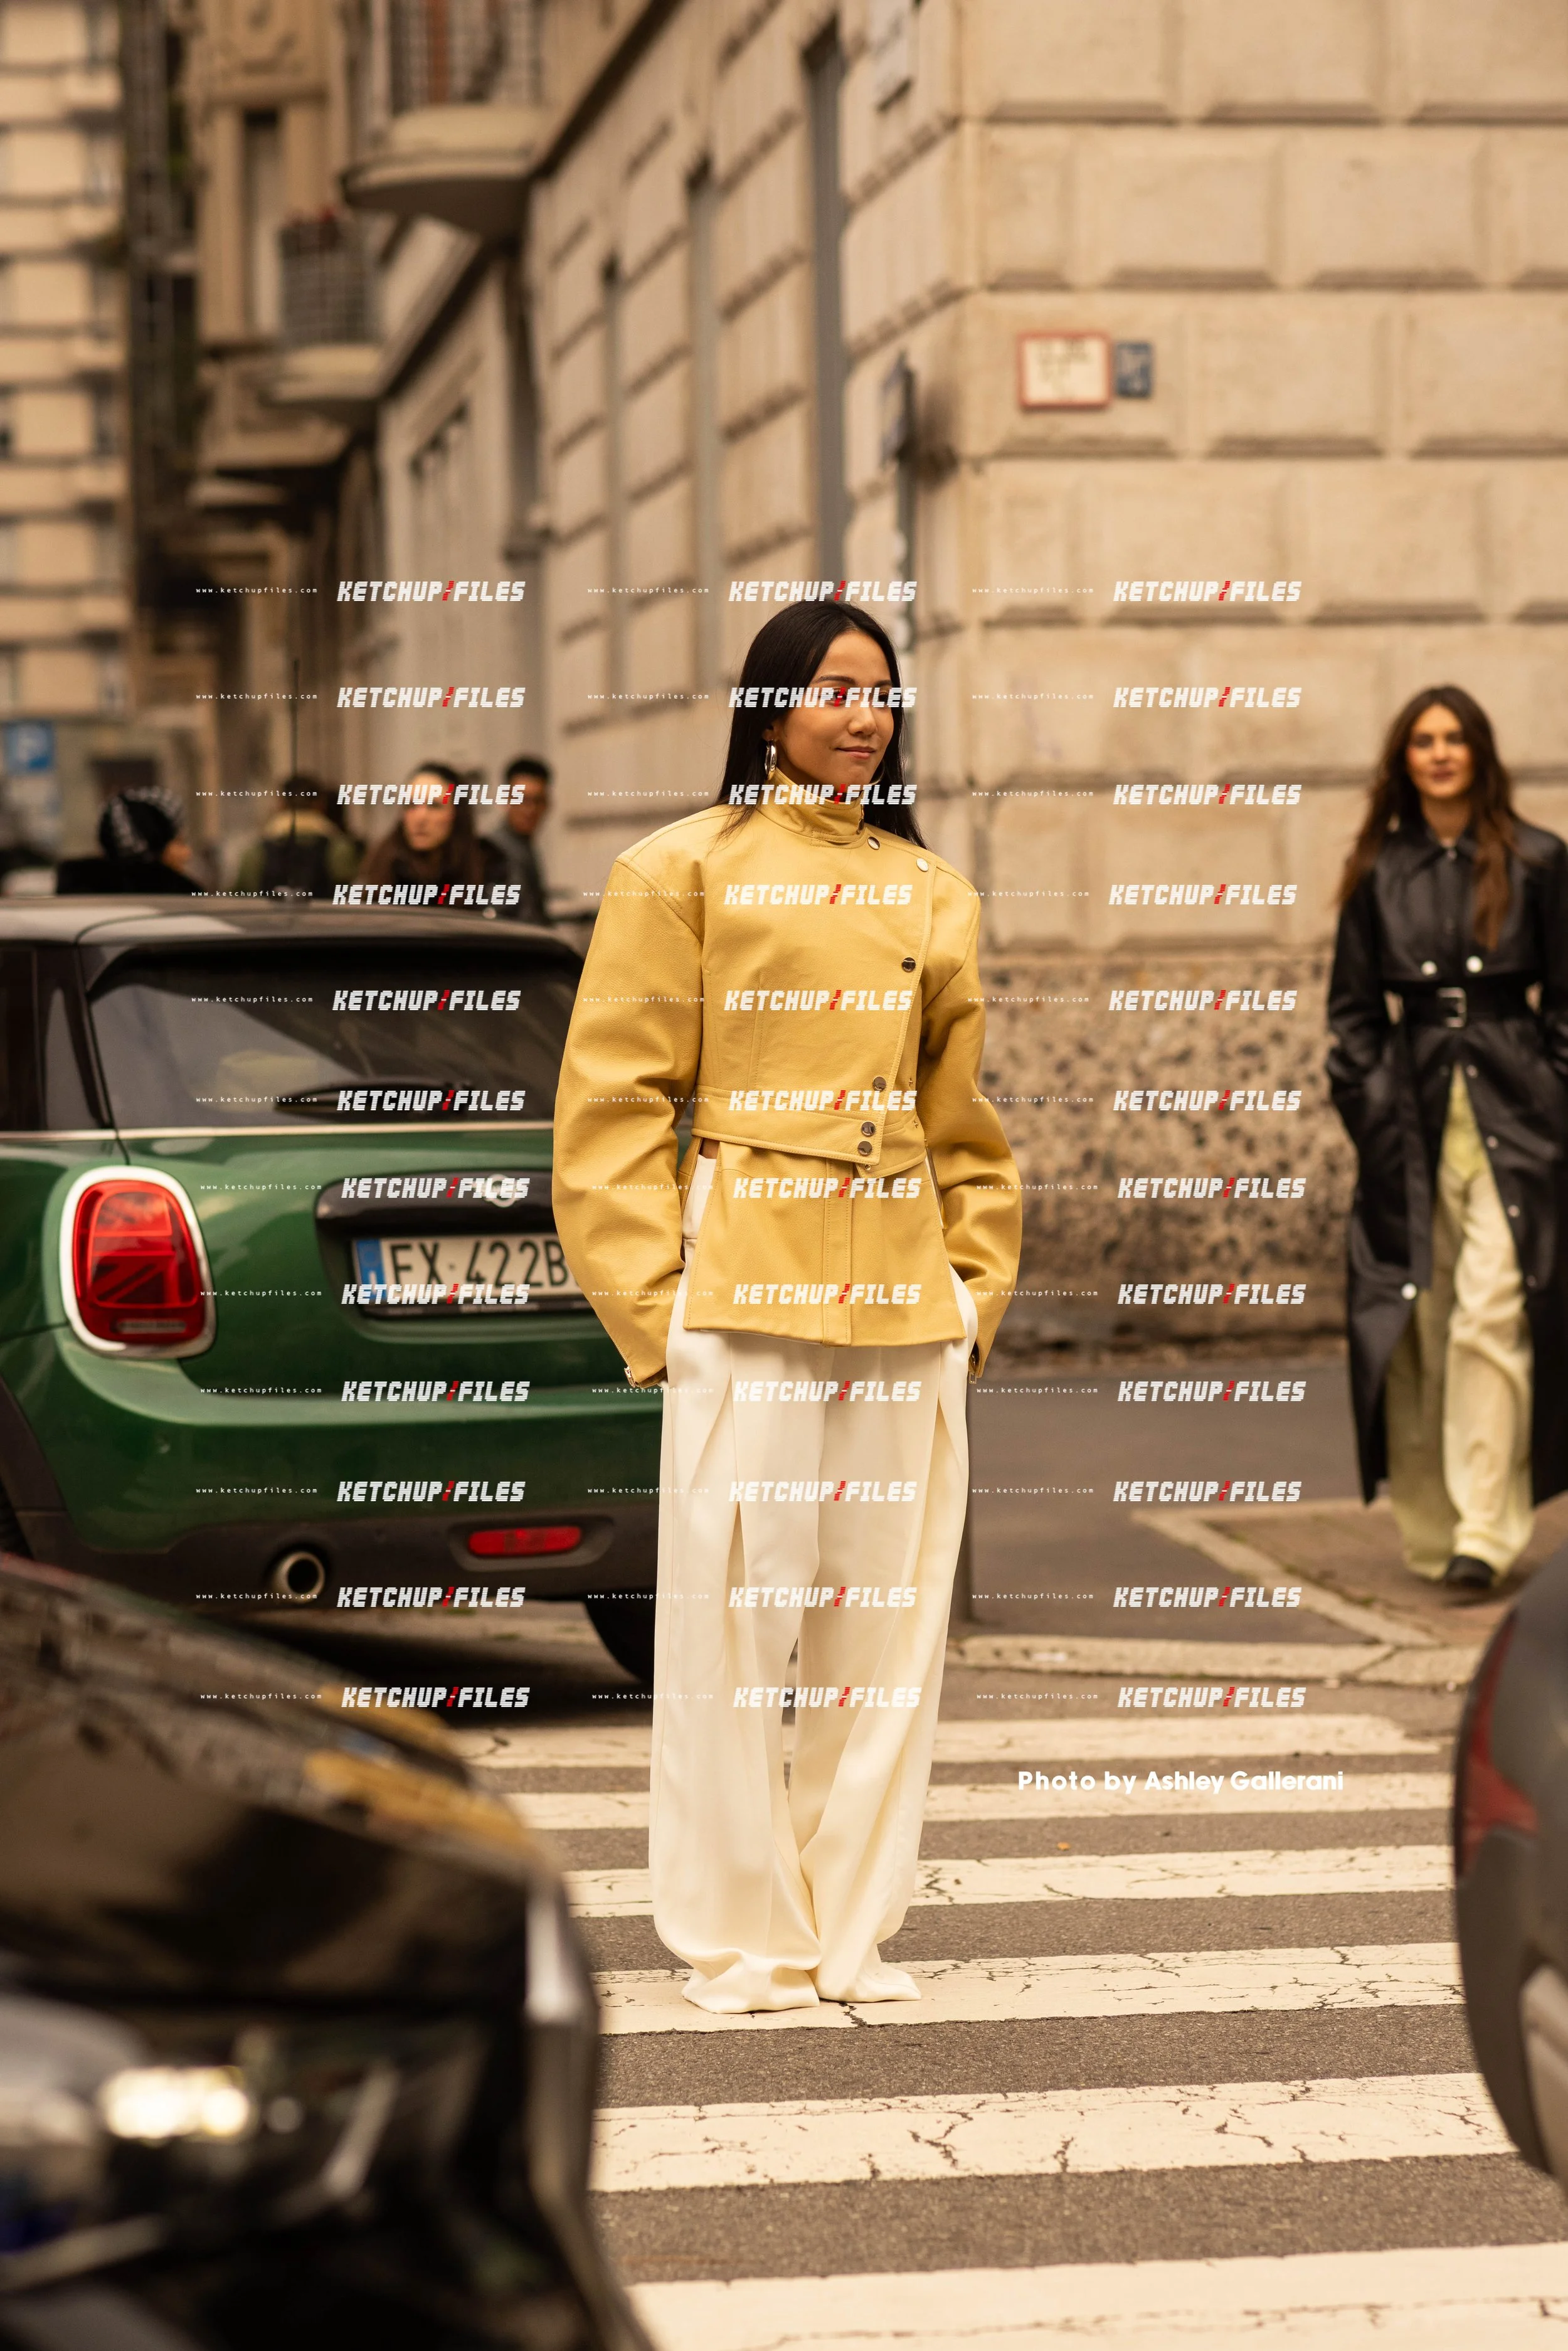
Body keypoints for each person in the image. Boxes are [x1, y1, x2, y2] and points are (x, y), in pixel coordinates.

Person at [551, 600, 1021, 2014]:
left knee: (882, 1628)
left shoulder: (932, 888)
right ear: (770, 709)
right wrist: (654, 1303)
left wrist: (975, 1286)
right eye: (833, 690)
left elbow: (963, 1119)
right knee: (734, 1618)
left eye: (881, 695)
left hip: (901, 1286)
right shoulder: (675, 867)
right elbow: (612, 1102)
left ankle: (849, 1927)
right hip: (743, 1263)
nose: (863, 716)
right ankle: (738, 1935)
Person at [1328, 685, 1568, 1599]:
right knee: (1420, 1325)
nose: (1439, 753)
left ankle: (1487, 1526)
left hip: (1518, 1109)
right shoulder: (1377, 871)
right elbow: (1351, 1013)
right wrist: (1369, 1101)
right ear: (1404, 759)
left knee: (1492, 1313)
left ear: (1479, 753)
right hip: (1413, 1112)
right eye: (1423, 740)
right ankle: (1435, 1529)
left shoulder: (1539, 861)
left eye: (1454, 738)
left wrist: (1554, 1093)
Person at [359, 762, 507, 896]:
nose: (421, 818)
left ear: (457, 813)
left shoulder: (488, 868)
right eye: (411, 805)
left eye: (434, 806)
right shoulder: (381, 868)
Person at [235, 772, 361, 899]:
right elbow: (351, 894)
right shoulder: (339, 847)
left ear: (281, 804)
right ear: (321, 804)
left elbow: (240, 896)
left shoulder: (255, 852)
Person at [56, 785, 200, 894]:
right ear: (153, 849)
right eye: (180, 843)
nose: (188, 853)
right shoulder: (186, 909)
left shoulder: (72, 904)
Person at [491, 755, 552, 924]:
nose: (530, 810)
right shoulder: (495, 850)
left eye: (537, 801)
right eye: (522, 799)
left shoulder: (525, 845)